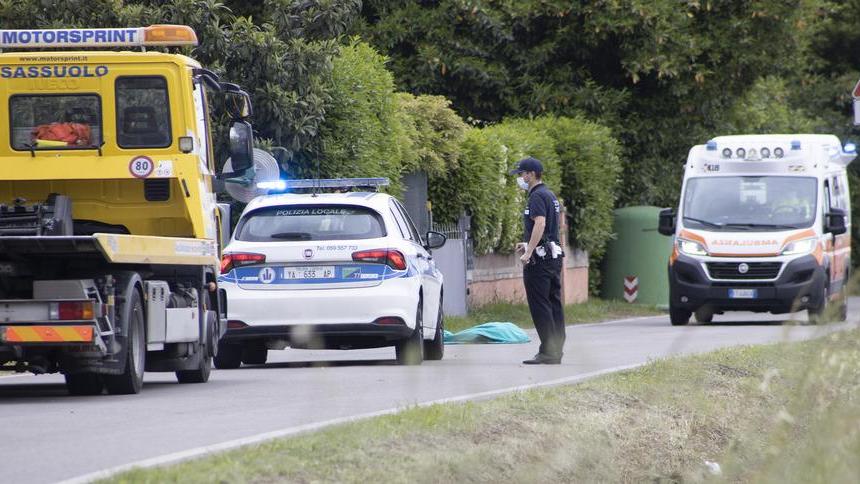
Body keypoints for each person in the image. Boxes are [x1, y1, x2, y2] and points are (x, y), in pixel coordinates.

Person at [510, 157, 565, 365]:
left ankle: (548, 351)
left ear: (531, 174)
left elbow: (540, 224)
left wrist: (528, 251)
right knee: (554, 303)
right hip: (552, 256)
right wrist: (527, 244)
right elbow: (550, 228)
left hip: (540, 261)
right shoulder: (550, 195)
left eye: (522, 174)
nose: (521, 178)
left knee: (540, 305)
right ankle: (555, 349)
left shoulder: (536, 196)